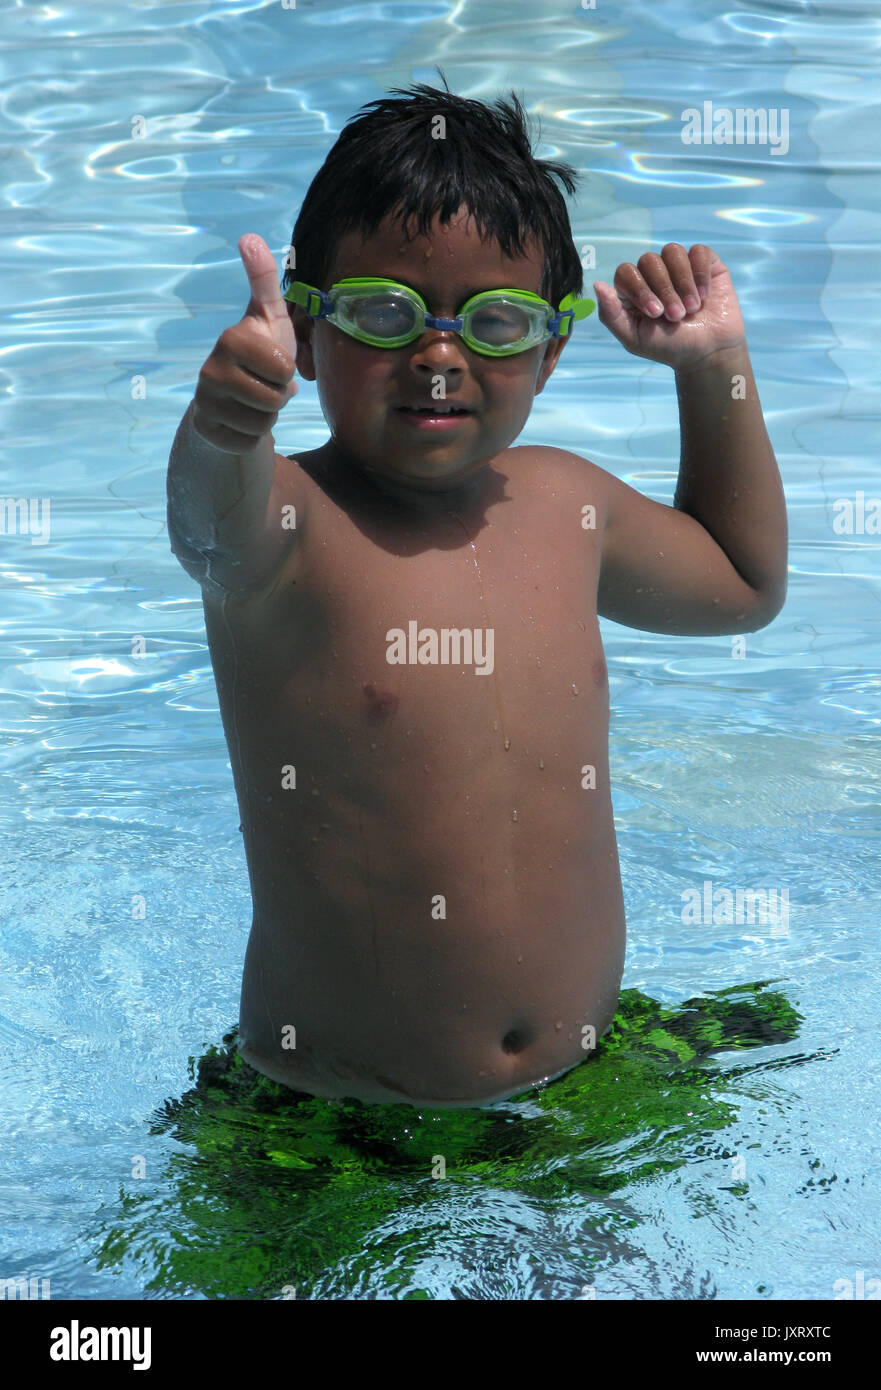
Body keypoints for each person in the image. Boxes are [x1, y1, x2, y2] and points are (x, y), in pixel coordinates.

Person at [166, 82, 787, 1108]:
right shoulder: (287, 521)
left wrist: (712, 365)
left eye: (492, 322)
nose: (438, 355)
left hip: (573, 1081)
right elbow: (201, 527)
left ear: (548, 350)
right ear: (308, 333)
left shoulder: (568, 504)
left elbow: (741, 584)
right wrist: (224, 426)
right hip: (337, 1111)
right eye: (381, 312)